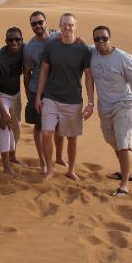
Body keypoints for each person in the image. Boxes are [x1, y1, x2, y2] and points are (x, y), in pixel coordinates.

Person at [35, 13, 94, 181]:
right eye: (64, 24)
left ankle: (71, 170)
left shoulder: (84, 49)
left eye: (71, 24)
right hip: (51, 97)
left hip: (73, 100)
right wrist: (38, 96)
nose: (67, 27)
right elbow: (44, 72)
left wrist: (91, 102)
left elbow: (88, 76)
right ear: (59, 26)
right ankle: (49, 169)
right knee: (47, 133)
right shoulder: (51, 46)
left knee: (71, 137)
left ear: (75, 26)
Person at [90, 25, 132, 196]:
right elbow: (77, 43)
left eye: (104, 38)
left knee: (124, 143)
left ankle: (124, 185)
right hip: (105, 108)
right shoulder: (92, 53)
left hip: (124, 105)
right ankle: (128, 172)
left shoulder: (123, 58)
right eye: (97, 39)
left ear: (110, 38)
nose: (100, 42)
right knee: (112, 140)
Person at [23, 11, 67, 173]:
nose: (37, 26)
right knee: (40, 127)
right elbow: (27, 73)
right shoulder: (29, 48)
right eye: (34, 24)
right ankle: (42, 161)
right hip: (38, 91)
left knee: (59, 126)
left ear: (46, 22)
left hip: (57, 89)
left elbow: (72, 41)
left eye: (40, 22)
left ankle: (59, 157)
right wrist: (30, 96)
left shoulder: (57, 37)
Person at [0, 27, 24, 177]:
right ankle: (6, 167)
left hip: (16, 94)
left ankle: (13, 156)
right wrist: (3, 112)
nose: (14, 42)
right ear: (5, 41)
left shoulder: (24, 49)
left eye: (17, 39)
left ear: (22, 40)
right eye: (10, 40)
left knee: (17, 128)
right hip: (1, 95)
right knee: (5, 126)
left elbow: (40, 44)